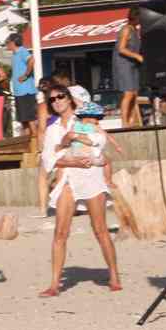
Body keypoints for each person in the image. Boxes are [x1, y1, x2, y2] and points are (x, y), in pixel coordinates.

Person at [39, 90, 121, 296]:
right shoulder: (52, 129)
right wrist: (70, 158)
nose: (56, 101)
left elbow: (101, 145)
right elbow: (49, 159)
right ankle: (55, 284)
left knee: (100, 229)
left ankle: (114, 275)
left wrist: (73, 142)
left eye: (60, 97)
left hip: (91, 176)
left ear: (69, 99)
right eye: (52, 99)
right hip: (68, 177)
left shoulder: (86, 117)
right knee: (60, 232)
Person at [114, 8, 144, 127]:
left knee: (135, 93)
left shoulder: (135, 30)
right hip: (124, 63)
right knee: (128, 93)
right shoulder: (126, 29)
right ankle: (124, 122)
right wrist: (136, 56)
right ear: (136, 17)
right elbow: (121, 49)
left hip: (133, 64)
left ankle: (132, 119)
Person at [7, 32, 38, 137]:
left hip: (26, 92)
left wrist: (25, 75)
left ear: (13, 42)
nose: (7, 44)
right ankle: (29, 145)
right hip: (19, 93)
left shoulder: (22, 51)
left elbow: (31, 60)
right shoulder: (15, 55)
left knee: (30, 120)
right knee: (24, 121)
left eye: (8, 42)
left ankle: (37, 146)